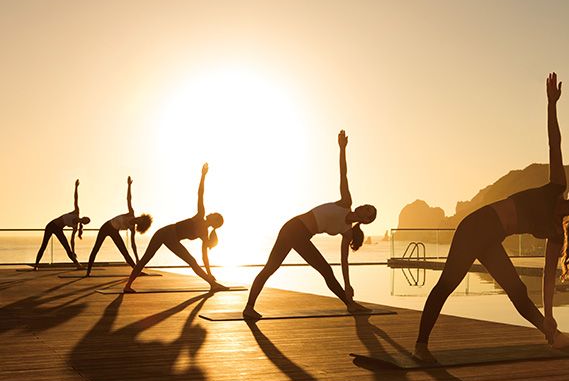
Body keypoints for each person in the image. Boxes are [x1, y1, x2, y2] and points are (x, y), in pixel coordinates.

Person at [414, 73, 569, 360]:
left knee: (517, 291)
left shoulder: (556, 231)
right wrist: (551, 104)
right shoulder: (556, 188)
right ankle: (420, 346)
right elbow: (555, 144)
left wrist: (550, 314)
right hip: (477, 226)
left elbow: (548, 276)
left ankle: (553, 335)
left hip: (491, 238)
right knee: (447, 284)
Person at [243, 130, 377, 319]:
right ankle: (350, 305)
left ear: (366, 220)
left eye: (369, 211)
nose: (365, 206)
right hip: (293, 227)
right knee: (273, 268)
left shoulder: (347, 232)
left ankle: (350, 304)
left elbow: (344, 262)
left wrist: (348, 284)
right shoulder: (346, 202)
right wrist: (342, 148)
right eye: (367, 206)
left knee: (314, 270)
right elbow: (343, 173)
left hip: (299, 234)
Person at [123, 164, 226, 293]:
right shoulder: (201, 218)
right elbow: (200, 194)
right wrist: (203, 175)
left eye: (214, 215)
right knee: (147, 259)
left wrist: (210, 273)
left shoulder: (203, 228)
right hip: (165, 233)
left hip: (170, 236)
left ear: (214, 221)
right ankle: (127, 286)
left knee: (192, 261)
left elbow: (205, 256)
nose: (212, 213)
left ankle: (212, 284)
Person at [85, 177, 153, 276]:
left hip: (114, 231)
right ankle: (88, 272)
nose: (138, 218)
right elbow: (129, 199)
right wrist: (129, 185)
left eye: (140, 220)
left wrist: (137, 257)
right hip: (106, 226)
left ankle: (136, 271)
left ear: (140, 224)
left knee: (124, 252)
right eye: (140, 218)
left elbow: (133, 245)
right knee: (96, 248)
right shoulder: (131, 213)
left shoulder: (132, 229)